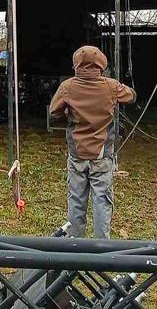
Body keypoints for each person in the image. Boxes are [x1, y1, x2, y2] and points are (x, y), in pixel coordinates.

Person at [48, 46, 136, 239]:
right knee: (102, 201)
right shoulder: (111, 86)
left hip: (77, 154)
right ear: (101, 64)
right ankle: (100, 249)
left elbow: (53, 113)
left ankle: (74, 247)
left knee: (76, 200)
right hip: (102, 156)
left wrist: (69, 116)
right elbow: (131, 96)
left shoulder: (67, 87)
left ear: (76, 64)